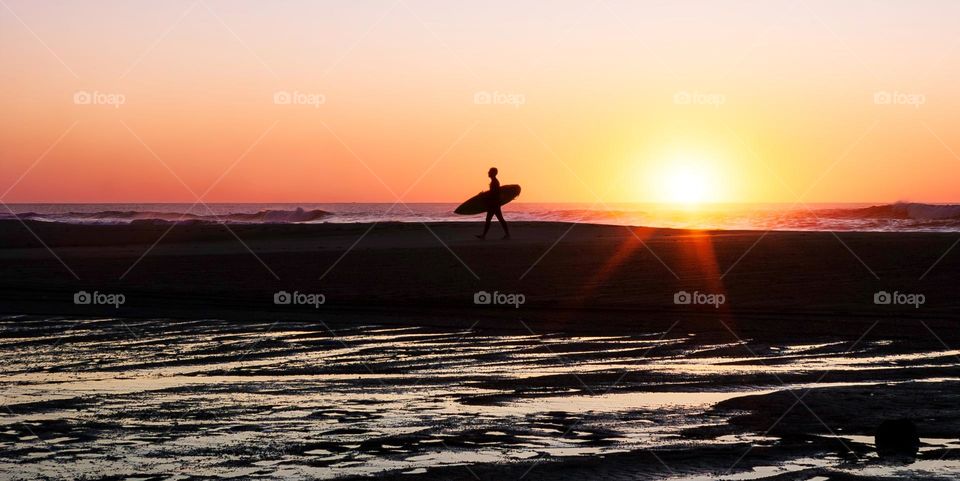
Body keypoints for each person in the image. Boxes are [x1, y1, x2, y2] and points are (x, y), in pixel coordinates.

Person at [476, 167, 511, 240]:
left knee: (494, 219)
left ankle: (484, 236)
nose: (488, 173)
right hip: (494, 204)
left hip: (494, 204)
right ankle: (484, 235)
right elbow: (493, 193)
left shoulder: (495, 182)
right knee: (496, 219)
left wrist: (483, 196)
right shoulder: (494, 181)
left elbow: (494, 194)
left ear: (493, 173)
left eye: (489, 172)